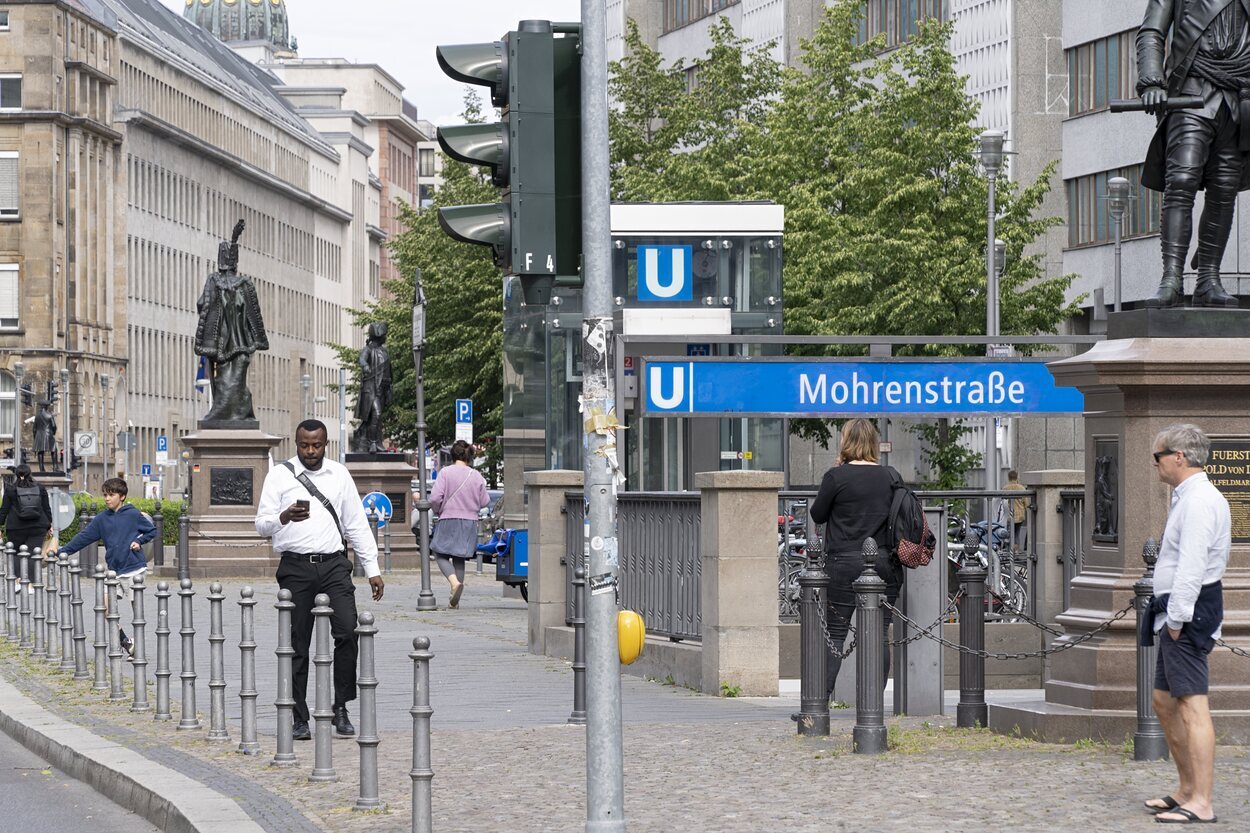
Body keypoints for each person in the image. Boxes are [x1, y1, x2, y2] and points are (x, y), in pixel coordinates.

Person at [255, 419, 384, 741]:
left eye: (317, 445)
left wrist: (372, 569)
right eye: (304, 445)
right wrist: (283, 517)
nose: (310, 451)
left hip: (334, 565)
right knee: (297, 644)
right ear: (296, 443)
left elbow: (355, 523)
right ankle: (298, 716)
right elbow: (261, 524)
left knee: (348, 632)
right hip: (295, 567)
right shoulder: (280, 475)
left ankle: (341, 706)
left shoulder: (339, 474)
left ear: (326, 444)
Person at [1141, 424, 1230, 824]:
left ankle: (1202, 803)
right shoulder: (1188, 497)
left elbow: (1192, 567)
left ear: (1180, 456)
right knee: (1164, 702)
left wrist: (1176, 619)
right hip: (1177, 611)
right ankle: (1186, 789)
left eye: (1158, 456)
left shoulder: (1199, 502)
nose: (1155, 464)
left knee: (1192, 706)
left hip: (1187, 614)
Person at [1137, 0, 1248, 308]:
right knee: (1182, 179)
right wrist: (1151, 81)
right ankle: (1171, 278)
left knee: (1225, 189)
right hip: (1191, 91)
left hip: (1239, 95)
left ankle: (1208, 279)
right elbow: (1151, 31)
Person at [808, 418, 903, 699]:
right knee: (879, 633)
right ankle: (872, 703)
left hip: (843, 563)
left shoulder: (836, 477)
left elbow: (817, 514)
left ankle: (819, 701)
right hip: (884, 564)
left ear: (846, 442)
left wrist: (838, 472)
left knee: (835, 633)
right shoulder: (891, 477)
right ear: (873, 443)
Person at [54, 477, 155, 657]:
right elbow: (84, 537)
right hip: (114, 571)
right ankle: (125, 641)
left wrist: (138, 541)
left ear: (122, 496)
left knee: (136, 612)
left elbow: (151, 530)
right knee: (104, 607)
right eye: (105, 495)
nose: (107, 498)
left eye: (111, 495)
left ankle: (139, 649)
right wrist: (64, 551)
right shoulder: (102, 519)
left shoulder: (132, 514)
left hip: (134, 569)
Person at [194, 219, 269, 423]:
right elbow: (254, 314)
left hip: (219, 343)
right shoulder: (244, 284)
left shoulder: (214, 281)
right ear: (235, 263)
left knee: (223, 379)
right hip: (241, 343)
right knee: (235, 379)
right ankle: (236, 411)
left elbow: (202, 304)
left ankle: (224, 411)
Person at [425, 439, 490, 608]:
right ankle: (455, 602)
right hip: (469, 522)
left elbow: (435, 498)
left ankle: (454, 583)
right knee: (459, 558)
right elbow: (485, 501)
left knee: (439, 552)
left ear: (453, 455)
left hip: (449, 518)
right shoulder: (476, 475)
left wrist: (439, 510)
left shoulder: (446, 473)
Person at [0, 463, 52, 580]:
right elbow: (46, 508)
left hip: (16, 528)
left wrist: (0, 525)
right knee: (34, 554)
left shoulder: (10, 489)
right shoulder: (40, 488)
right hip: (38, 526)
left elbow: (4, 510)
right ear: (30, 473)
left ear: (17, 474)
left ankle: (18, 581)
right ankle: (31, 584)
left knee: (17, 553)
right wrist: (49, 525)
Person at [352, 322, 393, 454]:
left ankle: (377, 442)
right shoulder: (368, 349)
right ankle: (372, 443)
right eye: (384, 335)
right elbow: (362, 360)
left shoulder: (384, 351)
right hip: (371, 390)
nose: (385, 337)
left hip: (382, 389)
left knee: (377, 418)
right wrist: (365, 367)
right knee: (376, 414)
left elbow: (389, 371)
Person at [1004, 469, 1027, 550]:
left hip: (1011, 514)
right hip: (1020, 515)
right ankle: (1016, 551)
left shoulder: (1006, 488)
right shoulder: (1022, 488)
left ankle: (1009, 550)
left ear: (1009, 477)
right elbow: (1026, 502)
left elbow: (1002, 498)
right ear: (1017, 477)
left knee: (1009, 534)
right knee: (1017, 533)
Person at [32, 401, 57, 472]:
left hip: (39, 435)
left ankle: (41, 468)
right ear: (46, 407)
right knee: (54, 449)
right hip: (48, 434)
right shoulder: (49, 415)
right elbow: (54, 426)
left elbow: (34, 429)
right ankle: (55, 467)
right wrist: (53, 432)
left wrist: (35, 437)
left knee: (40, 451)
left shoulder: (37, 416)